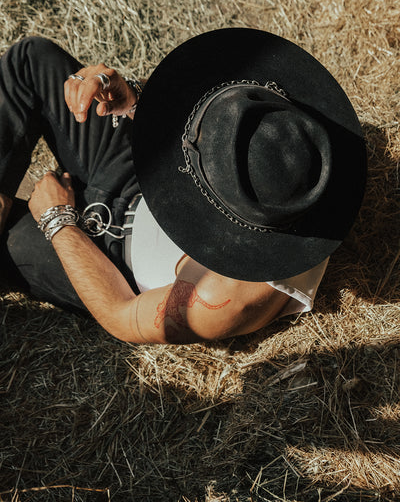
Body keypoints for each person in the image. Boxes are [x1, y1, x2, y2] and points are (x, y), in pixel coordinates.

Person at [0, 29, 367, 344]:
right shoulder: (298, 141)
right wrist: (136, 102)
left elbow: (121, 314)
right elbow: (220, 128)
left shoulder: (230, 294)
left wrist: (58, 220)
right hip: (135, 172)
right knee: (30, 59)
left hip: (107, 252)